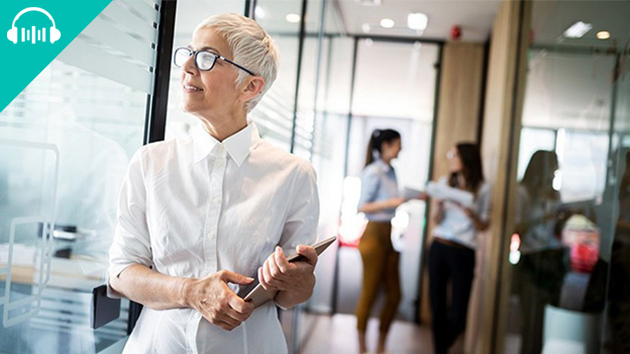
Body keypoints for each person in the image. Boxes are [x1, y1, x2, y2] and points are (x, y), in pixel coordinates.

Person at [107, 14, 320, 354]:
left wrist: (299, 281)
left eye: (207, 58)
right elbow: (120, 273)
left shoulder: (293, 174)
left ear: (251, 86)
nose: (188, 66)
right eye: (188, 53)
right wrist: (190, 291)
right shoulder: (150, 162)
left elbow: (293, 295)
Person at [429, 142, 490, 354]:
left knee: (458, 314)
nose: (451, 158)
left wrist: (471, 214)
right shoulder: (445, 183)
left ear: (466, 158)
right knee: (437, 308)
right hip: (439, 247)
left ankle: (443, 346)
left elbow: (484, 226)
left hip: (464, 251)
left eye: (454, 155)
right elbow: (437, 221)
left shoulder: (483, 188)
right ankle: (440, 351)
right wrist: (437, 206)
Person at [355, 128, 406, 354]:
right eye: (397, 144)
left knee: (395, 296)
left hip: (388, 235)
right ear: (386, 145)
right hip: (373, 235)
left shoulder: (391, 171)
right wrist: (391, 203)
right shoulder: (373, 171)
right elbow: (362, 206)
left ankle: (381, 345)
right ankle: (363, 347)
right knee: (370, 293)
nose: (400, 149)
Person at [513, 150, 564, 354]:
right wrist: (541, 219)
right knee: (531, 321)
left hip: (553, 258)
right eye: (552, 166)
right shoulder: (523, 192)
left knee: (547, 322)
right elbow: (515, 228)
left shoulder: (555, 193)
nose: (555, 171)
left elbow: (557, 231)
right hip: (531, 258)